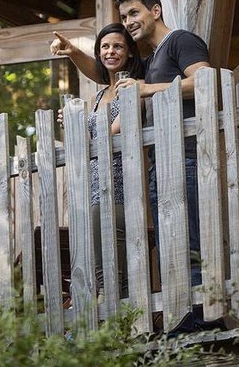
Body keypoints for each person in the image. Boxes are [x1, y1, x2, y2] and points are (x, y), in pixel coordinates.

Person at [52, 0, 218, 333]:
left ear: (155, 11)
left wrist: (147, 89)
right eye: (125, 16)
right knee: (174, 243)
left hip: (186, 156)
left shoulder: (180, 41)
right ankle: (186, 317)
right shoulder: (156, 58)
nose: (128, 22)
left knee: (190, 241)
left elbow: (205, 79)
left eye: (134, 14)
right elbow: (103, 73)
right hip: (164, 161)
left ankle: (203, 318)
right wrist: (72, 53)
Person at [58, 23, 143, 300]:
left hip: (121, 188)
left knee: (116, 267)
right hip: (94, 188)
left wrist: (85, 129)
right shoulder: (96, 97)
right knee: (101, 262)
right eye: (105, 47)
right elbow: (86, 143)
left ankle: (119, 327)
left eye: (118, 46)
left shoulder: (132, 89)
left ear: (129, 52)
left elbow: (109, 136)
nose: (110, 51)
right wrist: (71, 123)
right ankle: (117, 325)